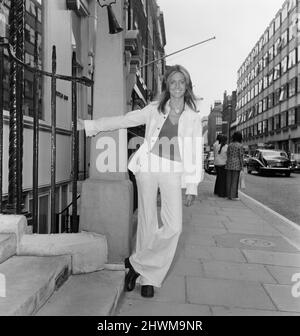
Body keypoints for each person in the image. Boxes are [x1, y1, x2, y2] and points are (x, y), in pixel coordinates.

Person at [78, 65, 203, 298]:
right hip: (148, 167)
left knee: (174, 227)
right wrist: (91, 125)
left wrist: (192, 186)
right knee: (147, 220)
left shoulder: (194, 118)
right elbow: (125, 120)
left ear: (187, 86)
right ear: (167, 85)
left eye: (181, 82)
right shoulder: (154, 109)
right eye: (173, 82)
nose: (177, 86)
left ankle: (136, 264)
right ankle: (147, 279)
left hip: (173, 171)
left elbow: (195, 152)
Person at [225, 131, 244, 200]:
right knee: (234, 181)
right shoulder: (240, 145)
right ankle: (233, 196)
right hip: (236, 164)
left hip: (229, 163)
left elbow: (227, 154)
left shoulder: (230, 145)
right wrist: (242, 166)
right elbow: (240, 156)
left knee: (229, 180)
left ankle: (229, 195)